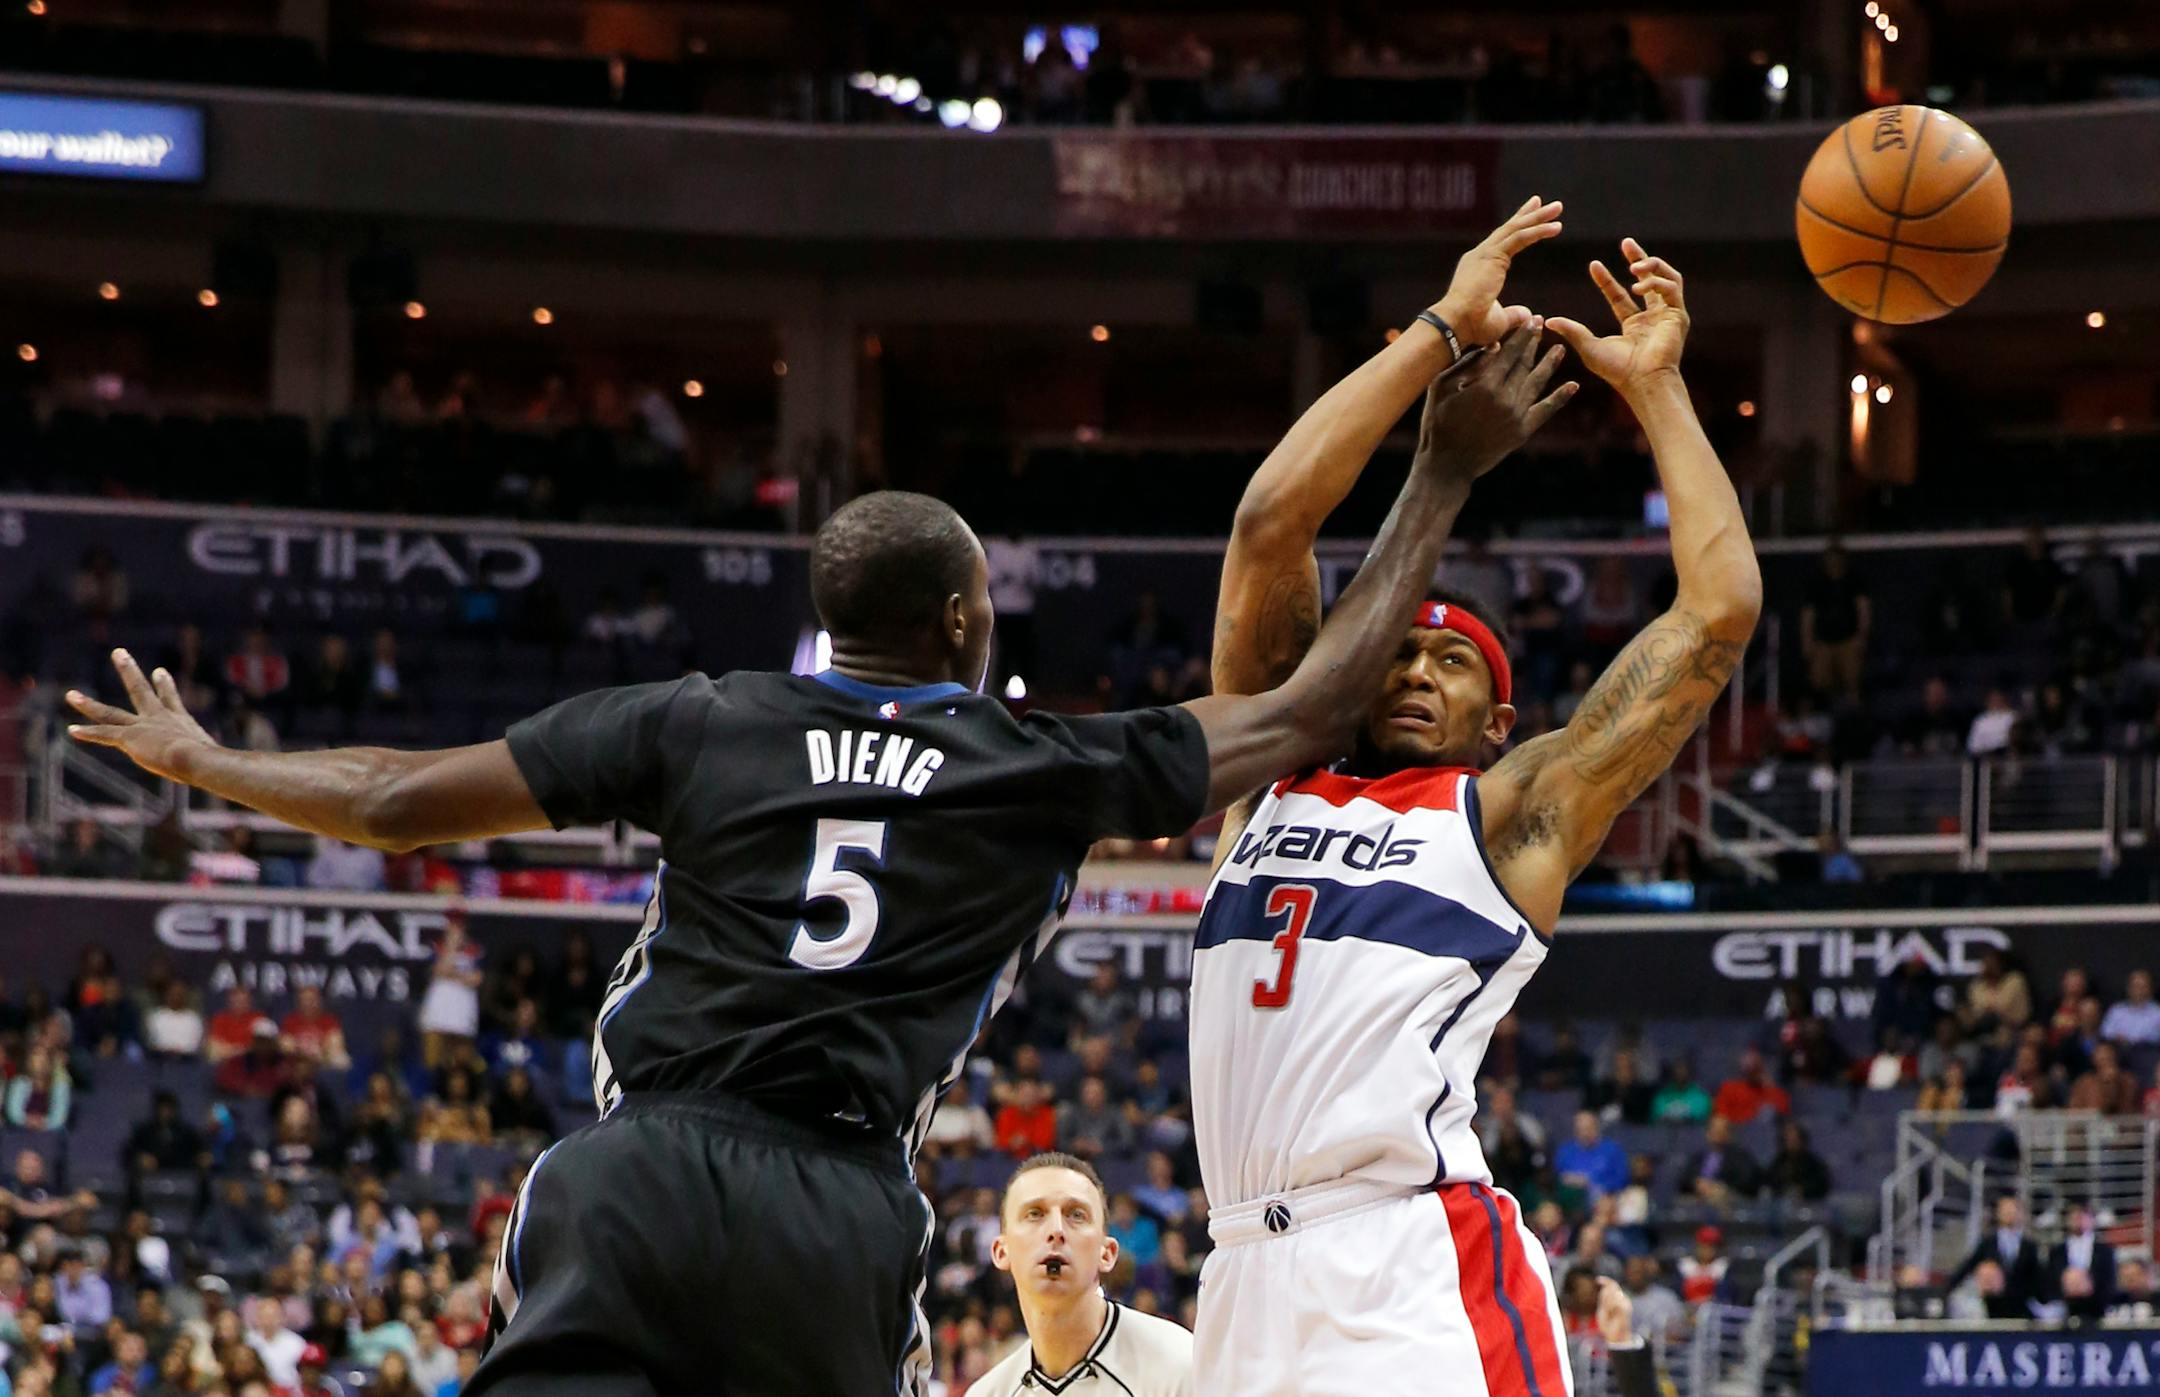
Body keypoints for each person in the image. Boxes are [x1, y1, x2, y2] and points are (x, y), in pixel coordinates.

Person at [68, 329, 1489, 1394]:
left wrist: (208, 760)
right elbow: (1311, 705)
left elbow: (390, 802)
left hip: (633, 1172)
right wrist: (1440, 470)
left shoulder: (701, 718)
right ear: (960, 623)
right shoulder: (1034, 763)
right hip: (833, 1199)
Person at [1190, 226, 1761, 1393]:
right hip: (1242, 1269)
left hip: (1410, 1262)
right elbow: (1267, 526)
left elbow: (1718, 609)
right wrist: (1435, 336)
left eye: (1451, 664)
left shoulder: (1508, 810)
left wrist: (1656, 386)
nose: (1414, 671)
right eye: (1397, 652)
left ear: (1498, 721)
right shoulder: (1269, 772)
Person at [971, 1154, 1192, 1396]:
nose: (1056, 1230)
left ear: (1107, 1253)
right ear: (1001, 1251)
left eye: (1076, 1214)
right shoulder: (987, 1393)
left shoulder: (1178, 1362)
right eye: (1034, 1214)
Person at [1948, 1195, 2046, 1319]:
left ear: (2021, 1215)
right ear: (1998, 1213)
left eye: (2013, 1211)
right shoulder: (1988, 1242)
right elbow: (1968, 1265)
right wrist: (1947, 1288)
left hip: (2020, 1307)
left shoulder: (2029, 1246)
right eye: (2005, 1210)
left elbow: (2037, 1277)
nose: (2009, 1214)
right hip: (1992, 1306)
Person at [1800, 543, 1869, 703]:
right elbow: (1808, 615)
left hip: (1848, 640)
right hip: (1823, 641)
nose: (1834, 563)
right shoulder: (1817, 583)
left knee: (1852, 681)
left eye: (1837, 559)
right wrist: (1807, 641)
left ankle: (1853, 709)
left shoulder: (1853, 581)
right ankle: (1821, 710)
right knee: (1818, 682)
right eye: (1830, 559)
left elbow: (1863, 609)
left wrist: (1861, 637)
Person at [2047, 1202, 2117, 1321]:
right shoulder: (2057, 1251)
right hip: (2064, 1313)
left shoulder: (2105, 1250)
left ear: (2092, 1219)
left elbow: (2109, 1280)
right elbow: (2051, 1280)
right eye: (2073, 1216)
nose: (2078, 1220)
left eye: (2082, 1216)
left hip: (2097, 1311)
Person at [2102, 970, 2160, 1046]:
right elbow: (2106, 1032)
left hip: (2148, 1050)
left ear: (2150, 989)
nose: (2139, 991)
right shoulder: (2116, 1010)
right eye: (2135, 986)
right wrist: (2117, 1038)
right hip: (2119, 1048)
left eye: (2143, 987)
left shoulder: (2157, 1012)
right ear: (2128, 988)